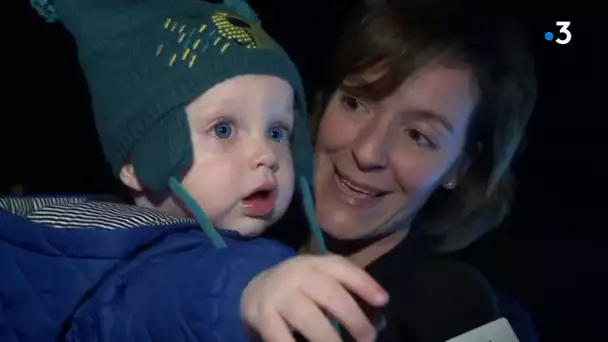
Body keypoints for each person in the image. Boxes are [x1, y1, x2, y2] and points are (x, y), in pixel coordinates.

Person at [0, 0, 387, 341]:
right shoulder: (120, 269)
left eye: (277, 131)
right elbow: (168, 296)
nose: (266, 155)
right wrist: (250, 289)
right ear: (136, 165)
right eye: (223, 129)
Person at [265, 0, 539, 340]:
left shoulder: (465, 318)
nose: (367, 152)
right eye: (356, 103)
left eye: (418, 136)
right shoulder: (225, 248)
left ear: (461, 166)